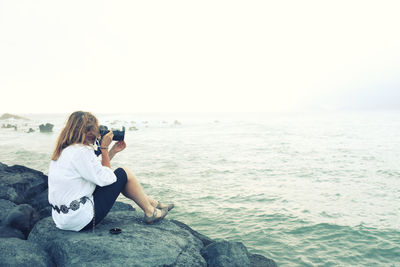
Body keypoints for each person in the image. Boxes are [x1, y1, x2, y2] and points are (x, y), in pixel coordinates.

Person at [48, 111, 174, 231]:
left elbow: (93, 170)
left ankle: (155, 204)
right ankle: (151, 211)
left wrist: (111, 152)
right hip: (80, 219)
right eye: (96, 130)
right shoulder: (82, 151)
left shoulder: (65, 150)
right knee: (123, 173)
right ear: (87, 132)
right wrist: (103, 148)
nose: (98, 134)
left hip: (62, 219)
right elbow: (107, 179)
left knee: (122, 178)